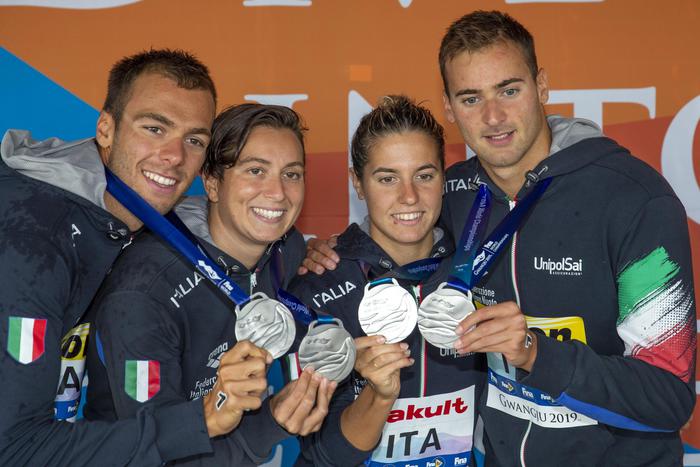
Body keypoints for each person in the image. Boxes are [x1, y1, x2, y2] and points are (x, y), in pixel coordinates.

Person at [303, 10, 697, 466]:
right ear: (449, 108)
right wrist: (328, 251)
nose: (493, 116)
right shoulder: (451, 194)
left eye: (509, 90)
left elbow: (669, 397)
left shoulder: (633, 200)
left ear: (542, 87)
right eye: (471, 99)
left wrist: (534, 352)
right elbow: (396, 229)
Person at [0, 49, 255, 466]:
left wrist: (305, 250)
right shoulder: (33, 239)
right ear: (106, 128)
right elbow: (14, 449)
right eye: (154, 128)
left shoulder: (121, 209)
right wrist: (198, 422)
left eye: (194, 140)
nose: (174, 156)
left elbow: (215, 222)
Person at [84, 103, 336, 466]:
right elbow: (156, 455)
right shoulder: (144, 293)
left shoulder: (287, 248)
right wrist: (272, 422)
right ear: (213, 183)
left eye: (291, 174)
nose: (278, 193)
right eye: (255, 170)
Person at [288, 95, 483, 466]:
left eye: (424, 176)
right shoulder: (318, 284)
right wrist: (377, 397)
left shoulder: (476, 272)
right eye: (387, 178)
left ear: (444, 176)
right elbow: (323, 454)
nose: (409, 196)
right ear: (358, 183)